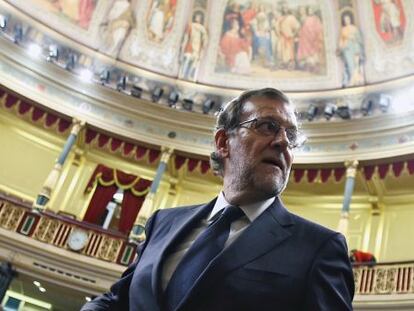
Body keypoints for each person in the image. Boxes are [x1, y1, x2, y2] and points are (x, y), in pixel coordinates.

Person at [81, 88, 355, 311]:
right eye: (268, 126)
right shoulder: (163, 223)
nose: (282, 141)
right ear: (224, 142)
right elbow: (120, 301)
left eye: (291, 135)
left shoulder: (319, 248)